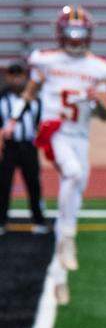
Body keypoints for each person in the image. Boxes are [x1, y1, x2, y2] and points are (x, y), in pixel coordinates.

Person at [2, 6, 106, 305]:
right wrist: (13, 120)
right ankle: (65, 237)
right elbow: (29, 92)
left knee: (74, 199)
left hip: (80, 137)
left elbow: (105, 114)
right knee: (74, 173)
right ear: (60, 34)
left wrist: (96, 99)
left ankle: (60, 275)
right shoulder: (47, 61)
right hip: (55, 132)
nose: (75, 40)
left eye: (80, 34)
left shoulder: (99, 68)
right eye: (70, 34)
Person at [0, 64, 48, 234]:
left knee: (33, 183)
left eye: (19, 75)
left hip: (28, 146)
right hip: (8, 147)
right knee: (3, 185)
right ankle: (1, 221)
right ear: (7, 77)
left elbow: (41, 121)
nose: (16, 79)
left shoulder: (36, 98)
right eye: (13, 75)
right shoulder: (2, 97)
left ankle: (39, 219)